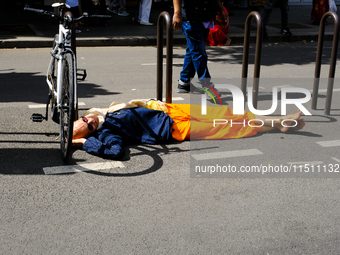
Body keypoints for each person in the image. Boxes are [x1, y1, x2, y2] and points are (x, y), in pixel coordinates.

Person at [72, 99, 306, 159]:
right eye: (90, 128)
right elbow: (114, 152)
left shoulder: (101, 111)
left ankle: (279, 122)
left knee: (224, 114)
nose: (91, 122)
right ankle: (280, 123)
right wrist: (85, 143)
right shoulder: (106, 134)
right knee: (227, 128)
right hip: (173, 129)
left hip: (171, 110)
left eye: (85, 121)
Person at [172, 0, 229, 95]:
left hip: (206, 15)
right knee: (199, 52)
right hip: (191, 17)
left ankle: (184, 82)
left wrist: (221, 10)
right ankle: (207, 85)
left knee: (194, 49)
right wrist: (177, 13)